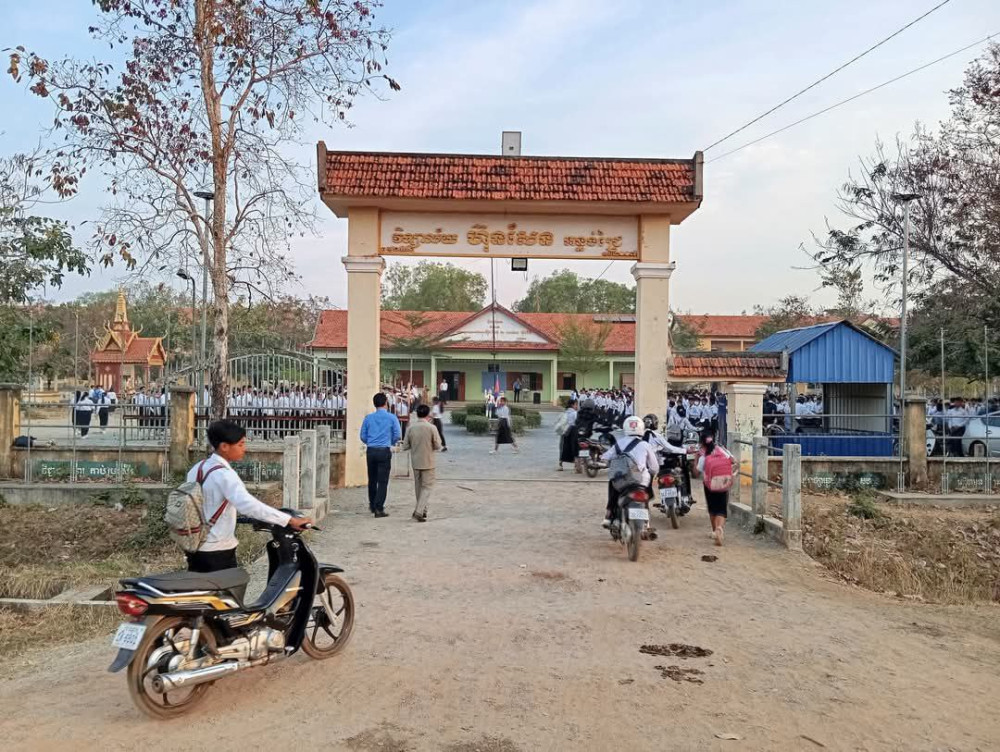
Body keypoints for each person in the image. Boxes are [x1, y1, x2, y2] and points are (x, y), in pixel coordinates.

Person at [185, 420, 311, 572]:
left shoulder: (197, 469)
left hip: (194, 546)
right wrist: (289, 520)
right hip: (217, 550)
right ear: (224, 446)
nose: (244, 449)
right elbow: (249, 505)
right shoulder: (225, 475)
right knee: (230, 587)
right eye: (240, 444)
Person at [600, 415, 659, 528]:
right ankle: (646, 524)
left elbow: (605, 458)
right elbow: (654, 467)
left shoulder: (619, 443)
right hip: (641, 480)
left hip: (622, 481)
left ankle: (609, 515)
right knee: (644, 494)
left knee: (613, 483)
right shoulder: (645, 445)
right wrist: (651, 473)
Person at [360, 392, 402, 518]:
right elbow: (397, 434)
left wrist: (370, 442)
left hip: (371, 450)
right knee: (382, 481)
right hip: (384, 450)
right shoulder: (392, 418)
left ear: (374, 404)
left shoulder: (368, 418)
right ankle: (379, 507)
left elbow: (362, 436)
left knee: (372, 479)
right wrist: (390, 442)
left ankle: (372, 505)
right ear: (386, 403)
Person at [400, 404, 441, 522]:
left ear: (417, 414)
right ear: (428, 414)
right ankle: (419, 511)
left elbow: (405, 446)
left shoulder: (410, 428)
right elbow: (438, 445)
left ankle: (423, 510)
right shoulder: (432, 428)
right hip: (428, 461)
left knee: (418, 487)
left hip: (416, 461)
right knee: (427, 487)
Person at [695, 428, 734, 546]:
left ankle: (714, 530)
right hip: (724, 482)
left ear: (702, 443)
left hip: (710, 485)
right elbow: (733, 460)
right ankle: (719, 528)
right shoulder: (722, 450)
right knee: (721, 508)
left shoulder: (703, 456)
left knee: (712, 508)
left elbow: (696, 472)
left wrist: (696, 458)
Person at [557, 398, 579, 471]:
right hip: (573, 431)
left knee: (563, 447)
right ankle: (576, 466)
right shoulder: (575, 413)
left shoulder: (564, 412)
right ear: (572, 405)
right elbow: (577, 422)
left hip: (564, 431)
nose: (577, 406)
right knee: (574, 447)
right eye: (576, 405)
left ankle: (560, 465)